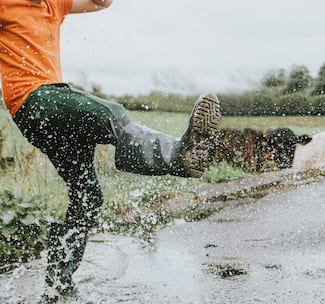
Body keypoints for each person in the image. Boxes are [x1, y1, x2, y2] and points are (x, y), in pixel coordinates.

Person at [0, 0, 221, 302]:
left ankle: (57, 286)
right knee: (111, 115)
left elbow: (99, 2)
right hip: (35, 102)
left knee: (87, 195)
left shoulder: (55, 4)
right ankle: (178, 156)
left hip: (49, 117)